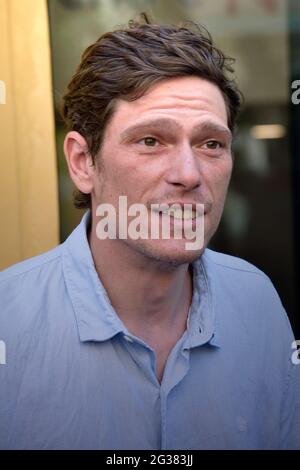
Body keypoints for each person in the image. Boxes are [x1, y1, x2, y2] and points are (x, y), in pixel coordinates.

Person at [0, 14, 299, 450]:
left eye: (211, 143)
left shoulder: (257, 302)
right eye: (150, 141)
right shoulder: (10, 322)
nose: (188, 174)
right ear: (84, 163)